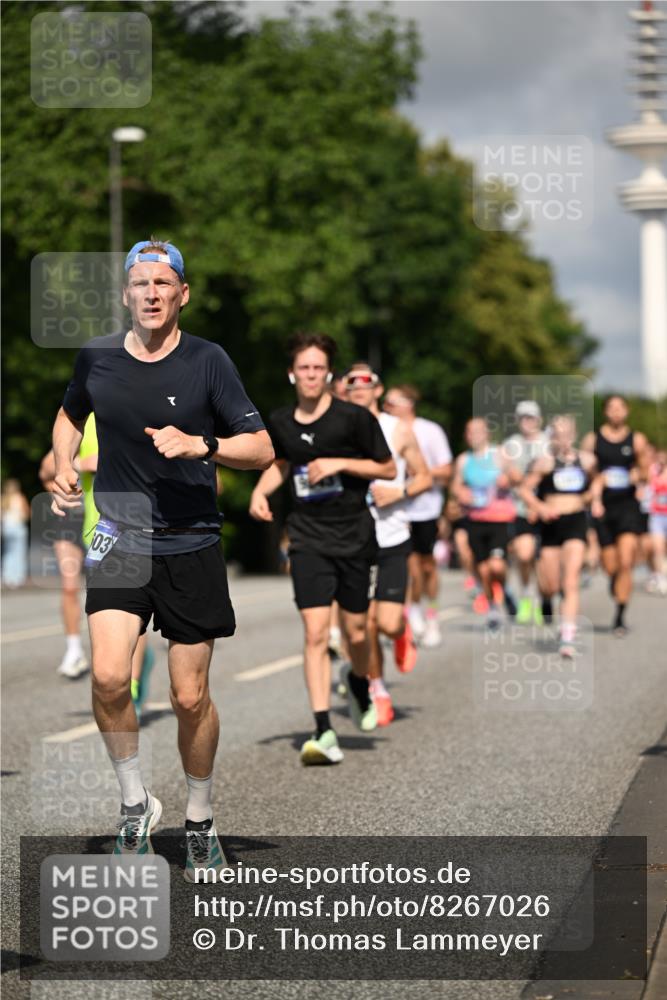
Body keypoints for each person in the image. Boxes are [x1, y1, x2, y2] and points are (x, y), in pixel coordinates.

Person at [50, 238, 273, 878]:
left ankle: (199, 819)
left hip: (191, 537)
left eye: (162, 284)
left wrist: (201, 445)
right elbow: (69, 416)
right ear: (126, 293)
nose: (150, 294)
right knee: (110, 678)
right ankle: (133, 804)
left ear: (182, 294)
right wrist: (65, 462)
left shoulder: (209, 362)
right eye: (140, 283)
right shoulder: (96, 358)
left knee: (187, 695)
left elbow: (258, 449)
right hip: (119, 536)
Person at [249, 333, 396, 765]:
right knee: (315, 634)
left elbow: (386, 467)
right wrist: (261, 492)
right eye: (304, 368)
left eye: (318, 368)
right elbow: (280, 463)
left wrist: (340, 463)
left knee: (356, 633)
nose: (311, 375)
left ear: (327, 374)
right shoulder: (279, 421)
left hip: (353, 537)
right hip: (307, 537)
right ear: (292, 373)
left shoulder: (354, 419)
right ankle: (323, 728)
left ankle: (357, 679)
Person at [345, 363, 432, 725]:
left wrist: (400, 491)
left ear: (378, 390)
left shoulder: (398, 430)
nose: (359, 387)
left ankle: (402, 631)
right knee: (362, 625)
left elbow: (424, 477)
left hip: (393, 534)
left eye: (366, 382)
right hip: (352, 538)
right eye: (352, 382)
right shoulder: (338, 430)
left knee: (388, 621)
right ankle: (378, 688)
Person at [520, 416, 595, 658]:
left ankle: (567, 636)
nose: (562, 440)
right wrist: (540, 507)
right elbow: (523, 489)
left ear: (573, 436)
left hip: (575, 522)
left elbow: (599, 481)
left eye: (566, 434)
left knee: (570, 581)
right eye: (557, 435)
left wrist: (593, 497)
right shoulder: (544, 462)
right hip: (551, 525)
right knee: (550, 584)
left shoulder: (586, 460)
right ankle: (545, 599)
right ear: (551, 437)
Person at [383, 385, 452, 647]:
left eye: (393, 401)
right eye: (386, 402)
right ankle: (412, 613)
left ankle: (431, 615)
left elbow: (446, 470)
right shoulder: (384, 428)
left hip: (426, 508)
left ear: (409, 403)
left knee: (427, 567)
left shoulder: (429, 430)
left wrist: (420, 473)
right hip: (396, 509)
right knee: (408, 566)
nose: (387, 406)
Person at [582, 395, 650, 637]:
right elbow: (586, 472)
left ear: (627, 411)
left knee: (625, 561)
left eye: (620, 407)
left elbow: (645, 470)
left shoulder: (637, 439)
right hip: (603, 508)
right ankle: (615, 584)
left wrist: (638, 476)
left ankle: (619, 616)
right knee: (610, 565)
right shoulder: (593, 440)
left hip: (628, 507)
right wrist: (596, 484)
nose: (616, 412)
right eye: (611, 408)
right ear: (605, 412)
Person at [451, 418, 517, 632]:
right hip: (475, 520)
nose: (474, 435)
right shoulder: (463, 460)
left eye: (478, 431)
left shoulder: (499, 454)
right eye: (469, 432)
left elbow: (518, 477)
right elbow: (455, 487)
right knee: (483, 570)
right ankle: (493, 608)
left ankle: (506, 589)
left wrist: (508, 479)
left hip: (499, 519)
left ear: (487, 433)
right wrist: (461, 494)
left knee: (496, 566)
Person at [38, 449, 89, 677]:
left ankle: (127, 654)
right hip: (70, 520)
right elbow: (46, 469)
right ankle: (74, 650)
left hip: (105, 516)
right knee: (69, 587)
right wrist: (79, 462)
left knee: (115, 589)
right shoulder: (76, 430)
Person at [503, 400, 550, 624]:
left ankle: (544, 597)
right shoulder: (512, 443)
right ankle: (527, 595)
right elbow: (512, 475)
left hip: (547, 509)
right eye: (523, 418)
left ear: (538, 419)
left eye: (530, 417)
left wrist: (537, 504)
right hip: (521, 508)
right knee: (524, 555)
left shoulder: (548, 443)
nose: (527, 422)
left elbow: (548, 474)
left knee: (544, 561)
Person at [1, 479, 29, 588]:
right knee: (19, 552)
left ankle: (7, 577)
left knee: (8, 552)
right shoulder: (20, 498)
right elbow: (26, 513)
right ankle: (17, 578)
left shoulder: (3, 499)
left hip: (7, 528)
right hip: (18, 527)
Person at [647, 447, 667, 595]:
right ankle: (660, 578)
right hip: (656, 515)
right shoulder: (652, 469)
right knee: (657, 548)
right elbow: (651, 484)